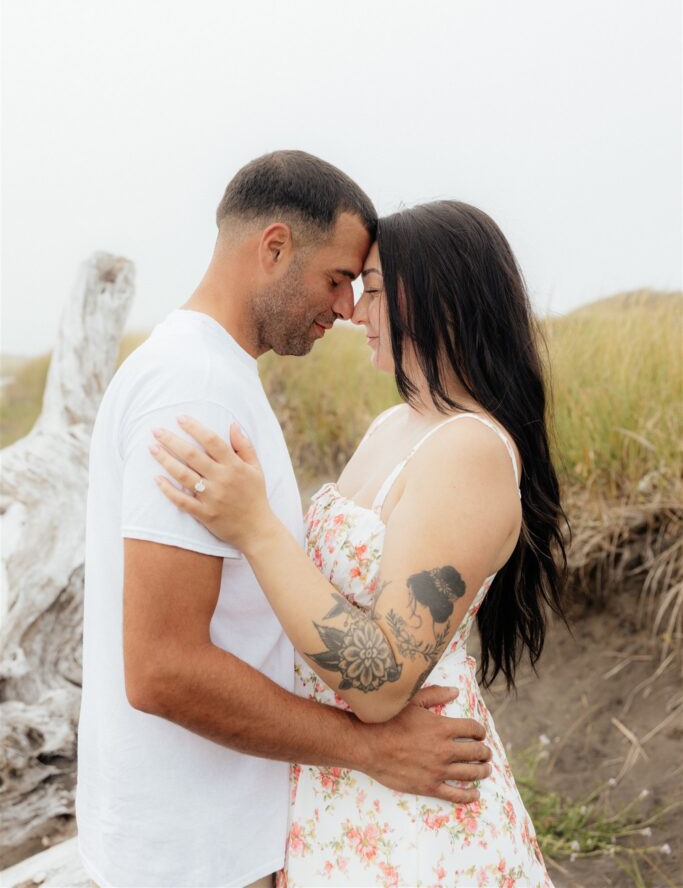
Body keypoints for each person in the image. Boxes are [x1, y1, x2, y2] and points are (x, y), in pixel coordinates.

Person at [76, 154, 492, 888]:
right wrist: (369, 748)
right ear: (272, 247)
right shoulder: (193, 387)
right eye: (337, 279)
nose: (344, 310)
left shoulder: (212, 372)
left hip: (215, 830)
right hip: (194, 850)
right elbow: (162, 669)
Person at [151, 199, 569, 888]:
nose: (351, 312)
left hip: (413, 808)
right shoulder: (392, 426)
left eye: (371, 290)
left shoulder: (468, 451)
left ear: (441, 299)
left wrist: (252, 524)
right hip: (343, 780)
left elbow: (379, 682)